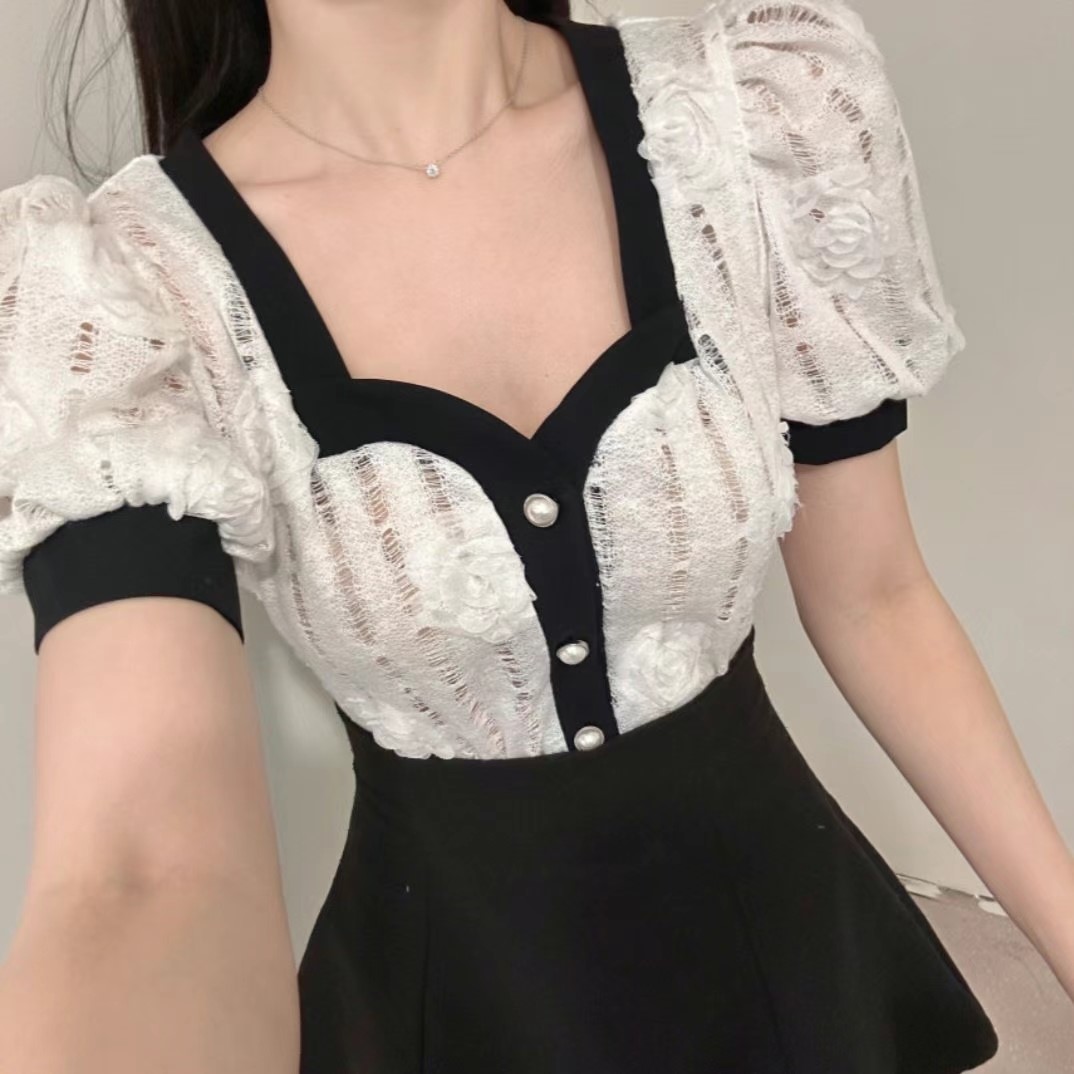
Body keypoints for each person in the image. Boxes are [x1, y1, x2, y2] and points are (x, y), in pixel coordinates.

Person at [0, 0, 1071, 1070]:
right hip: (451, 1012)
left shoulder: (753, 113)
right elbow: (137, 869)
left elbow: (877, 596)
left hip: (798, 971)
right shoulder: (117, 301)